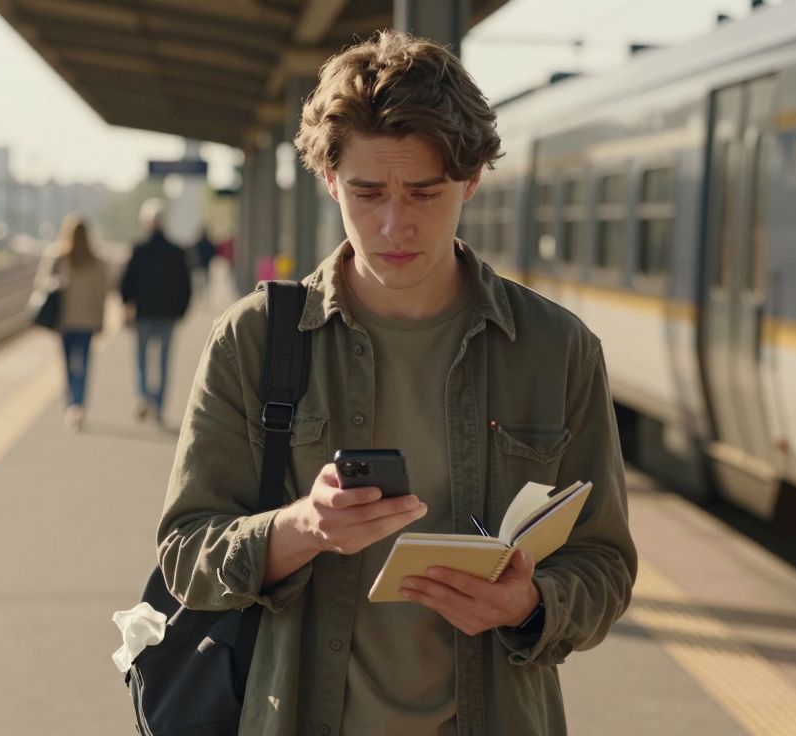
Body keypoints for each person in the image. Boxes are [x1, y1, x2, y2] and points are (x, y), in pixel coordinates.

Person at [156, 30, 636, 735]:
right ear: (329, 182)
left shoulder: (555, 349)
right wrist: (302, 527)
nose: (393, 223)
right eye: (367, 191)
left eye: (424, 192)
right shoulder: (255, 339)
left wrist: (530, 605)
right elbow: (184, 551)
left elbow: (605, 564)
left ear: (470, 181)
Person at [119, 199, 192, 423]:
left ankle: (144, 394)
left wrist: (128, 304)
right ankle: (159, 405)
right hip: (168, 315)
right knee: (163, 361)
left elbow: (125, 283)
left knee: (142, 357)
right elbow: (186, 286)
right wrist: (181, 311)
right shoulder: (177, 251)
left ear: (146, 222)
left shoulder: (138, 250)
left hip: (143, 314)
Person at [35, 214, 108, 430]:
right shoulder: (96, 261)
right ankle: (79, 405)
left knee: (67, 366)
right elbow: (101, 293)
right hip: (87, 321)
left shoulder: (57, 256)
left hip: (64, 321)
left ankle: (71, 406)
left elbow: (41, 283)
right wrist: (101, 320)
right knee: (83, 365)